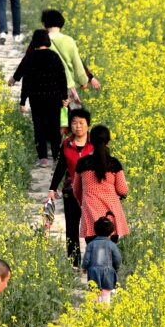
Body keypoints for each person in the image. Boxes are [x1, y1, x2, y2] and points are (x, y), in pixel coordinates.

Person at [47, 106, 93, 265]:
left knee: (91, 227)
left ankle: (90, 260)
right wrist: (52, 188)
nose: (78, 126)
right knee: (72, 227)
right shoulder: (67, 143)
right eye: (74, 123)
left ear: (88, 125)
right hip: (71, 190)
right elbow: (61, 167)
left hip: (91, 192)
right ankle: (74, 262)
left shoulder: (95, 144)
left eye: (81, 123)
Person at [16, 28, 68, 165]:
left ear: (34, 42)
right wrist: (65, 96)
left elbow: (26, 82)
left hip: (36, 98)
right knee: (54, 126)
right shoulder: (54, 56)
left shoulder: (30, 58)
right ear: (47, 41)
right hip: (54, 97)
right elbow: (62, 78)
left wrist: (23, 101)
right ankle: (56, 157)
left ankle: (43, 158)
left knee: (39, 127)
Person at [74, 124, 129, 242]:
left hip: (90, 212)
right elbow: (122, 190)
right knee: (110, 251)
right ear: (108, 142)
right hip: (111, 216)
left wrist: (82, 202)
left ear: (90, 141)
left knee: (92, 249)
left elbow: (76, 190)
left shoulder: (82, 163)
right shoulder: (114, 163)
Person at [41, 8, 101, 108]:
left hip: (45, 88)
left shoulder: (39, 41)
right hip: (67, 86)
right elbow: (77, 63)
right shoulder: (69, 41)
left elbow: (29, 60)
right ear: (61, 22)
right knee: (74, 116)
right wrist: (84, 80)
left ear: (44, 24)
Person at [81, 216, 122, 304]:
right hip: (108, 271)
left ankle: (95, 307)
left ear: (95, 231)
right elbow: (117, 258)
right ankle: (105, 309)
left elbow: (86, 258)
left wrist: (84, 267)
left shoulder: (91, 244)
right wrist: (116, 267)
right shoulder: (112, 245)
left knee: (95, 290)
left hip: (93, 271)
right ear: (111, 233)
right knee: (106, 291)